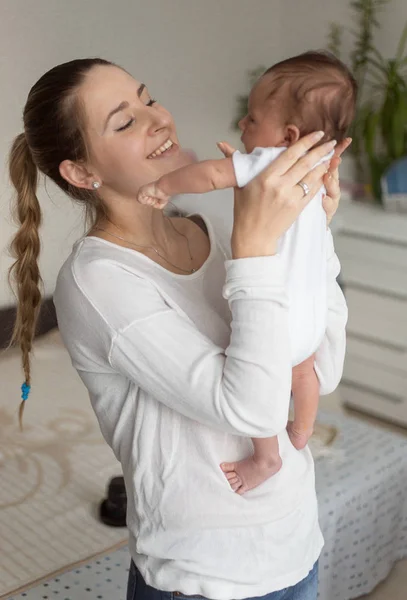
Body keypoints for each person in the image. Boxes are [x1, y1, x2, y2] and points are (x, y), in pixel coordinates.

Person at [8, 58, 349, 600]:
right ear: (80, 172)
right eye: (125, 121)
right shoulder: (98, 282)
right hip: (202, 575)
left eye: (148, 97)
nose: (157, 119)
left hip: (294, 544)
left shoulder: (215, 229)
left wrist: (315, 241)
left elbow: (320, 368)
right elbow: (254, 408)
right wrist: (258, 251)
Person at [136, 51, 356, 494]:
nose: (241, 125)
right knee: (304, 371)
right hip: (312, 320)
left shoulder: (268, 163)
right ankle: (302, 430)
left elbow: (210, 175)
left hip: (275, 319)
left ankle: (267, 455)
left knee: (265, 377)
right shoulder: (318, 169)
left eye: (252, 119)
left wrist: (165, 185)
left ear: (288, 136)